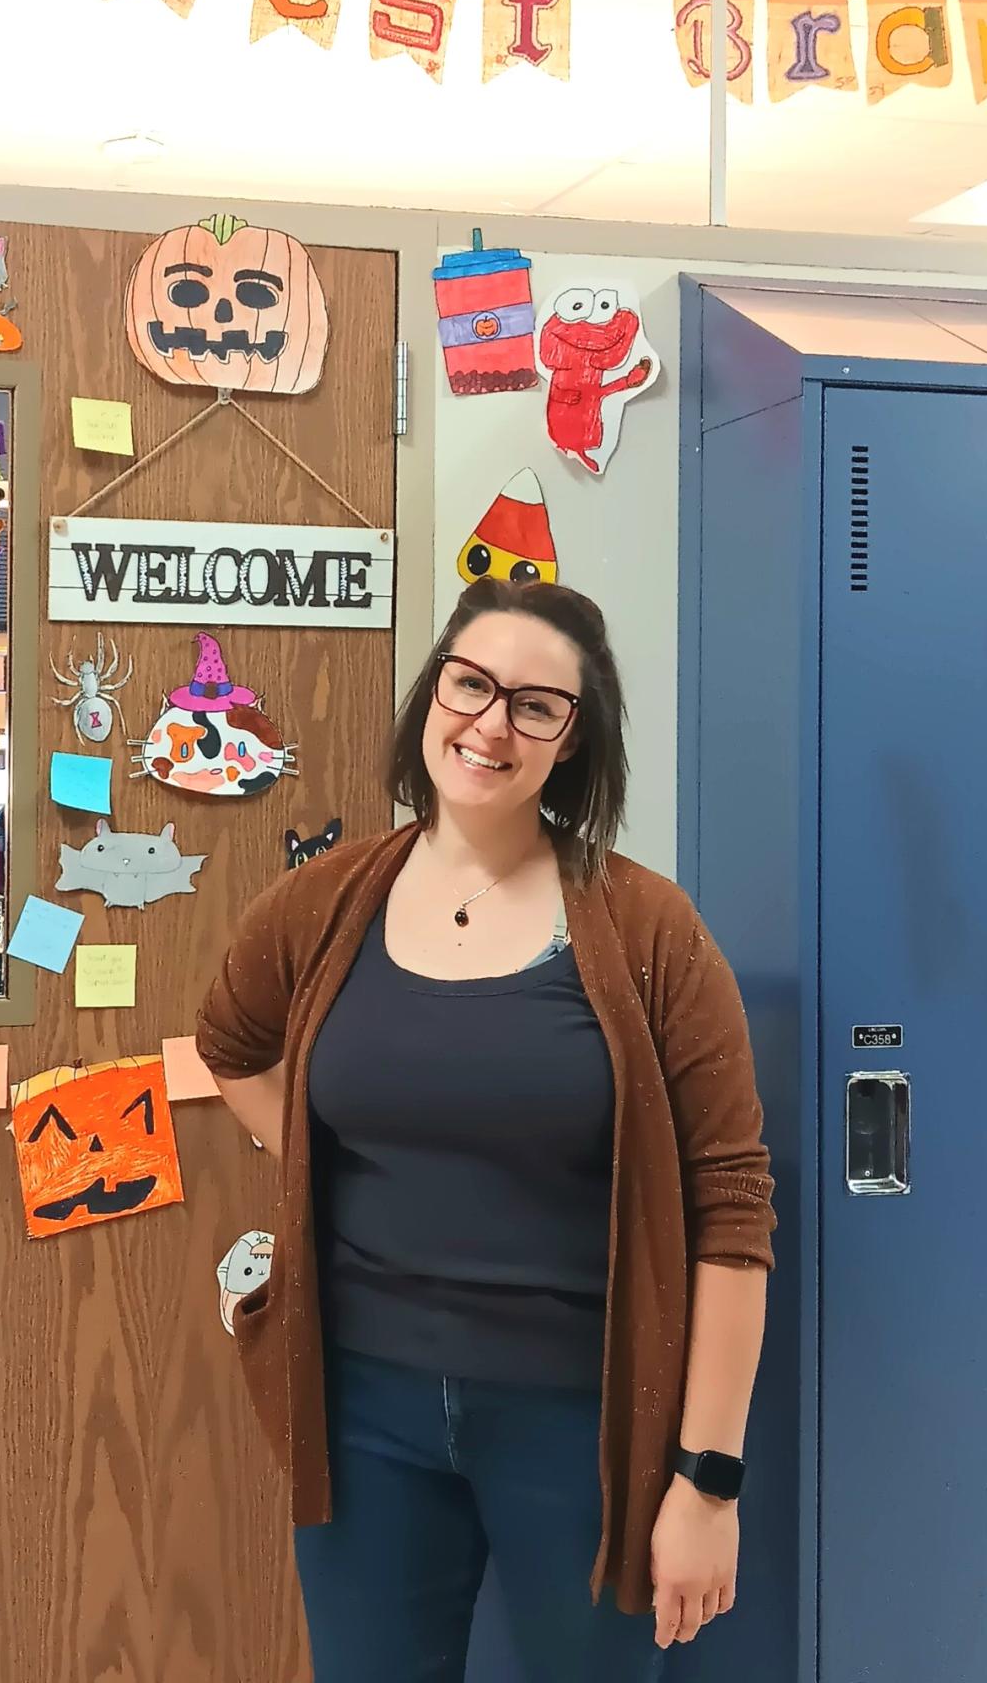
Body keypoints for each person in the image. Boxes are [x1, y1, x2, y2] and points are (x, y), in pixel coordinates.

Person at [195, 576, 775, 1682]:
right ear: (432, 696)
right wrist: (310, 1162)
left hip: (582, 1421)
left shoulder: (648, 929)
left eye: (537, 705)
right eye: (471, 684)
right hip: (364, 1411)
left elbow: (731, 1213)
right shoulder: (326, 903)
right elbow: (230, 1042)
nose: (492, 723)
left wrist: (706, 1482)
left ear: (573, 740)